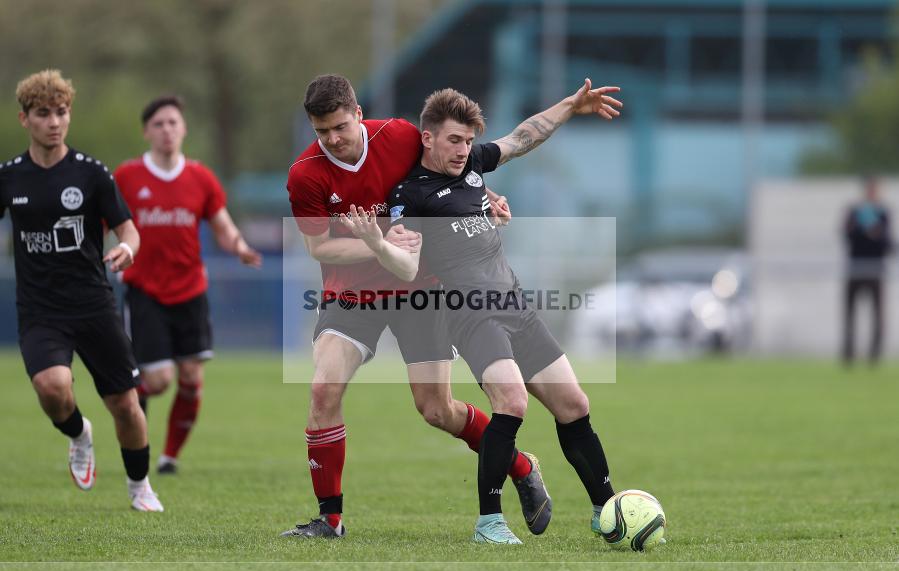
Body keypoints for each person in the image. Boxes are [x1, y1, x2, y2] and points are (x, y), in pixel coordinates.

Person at [343, 80, 623, 543]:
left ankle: (605, 509)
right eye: (454, 140)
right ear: (427, 137)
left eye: (469, 141)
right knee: (511, 402)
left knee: (575, 405)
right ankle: (489, 522)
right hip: (472, 314)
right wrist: (375, 241)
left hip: (514, 303)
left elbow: (521, 138)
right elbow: (408, 265)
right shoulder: (409, 195)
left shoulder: (472, 166)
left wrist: (571, 106)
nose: (463, 150)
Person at [281, 74, 549, 538]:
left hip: (419, 291)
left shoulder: (401, 136)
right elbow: (320, 248)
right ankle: (330, 519)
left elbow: (450, 173)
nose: (333, 140)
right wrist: (379, 243)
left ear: (359, 114)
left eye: (340, 127)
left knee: (437, 410)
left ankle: (521, 466)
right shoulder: (305, 174)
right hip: (352, 295)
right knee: (324, 389)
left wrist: (483, 199)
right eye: (321, 131)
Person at [0, 69, 163, 511]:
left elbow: (131, 232)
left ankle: (139, 486)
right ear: (24, 119)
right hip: (39, 309)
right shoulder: (10, 177)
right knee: (52, 388)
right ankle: (78, 435)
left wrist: (128, 249)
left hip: (93, 304)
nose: (54, 121)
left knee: (126, 406)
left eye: (62, 112)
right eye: (43, 114)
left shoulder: (91, 174)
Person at [114, 96, 262, 475]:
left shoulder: (201, 178)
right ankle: (130, 421)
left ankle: (168, 458)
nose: (167, 130)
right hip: (145, 291)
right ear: (147, 131)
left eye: (173, 123)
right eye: (159, 124)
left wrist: (240, 247)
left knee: (192, 379)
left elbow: (223, 226)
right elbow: (105, 225)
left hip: (190, 291)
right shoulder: (127, 178)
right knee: (159, 381)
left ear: (184, 129)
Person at [842, 176, 892, 365]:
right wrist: (863, 231)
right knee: (850, 314)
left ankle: (874, 356)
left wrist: (876, 233)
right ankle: (849, 354)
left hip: (875, 269)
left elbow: (887, 242)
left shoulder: (883, 213)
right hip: (855, 268)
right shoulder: (855, 212)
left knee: (877, 314)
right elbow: (847, 235)